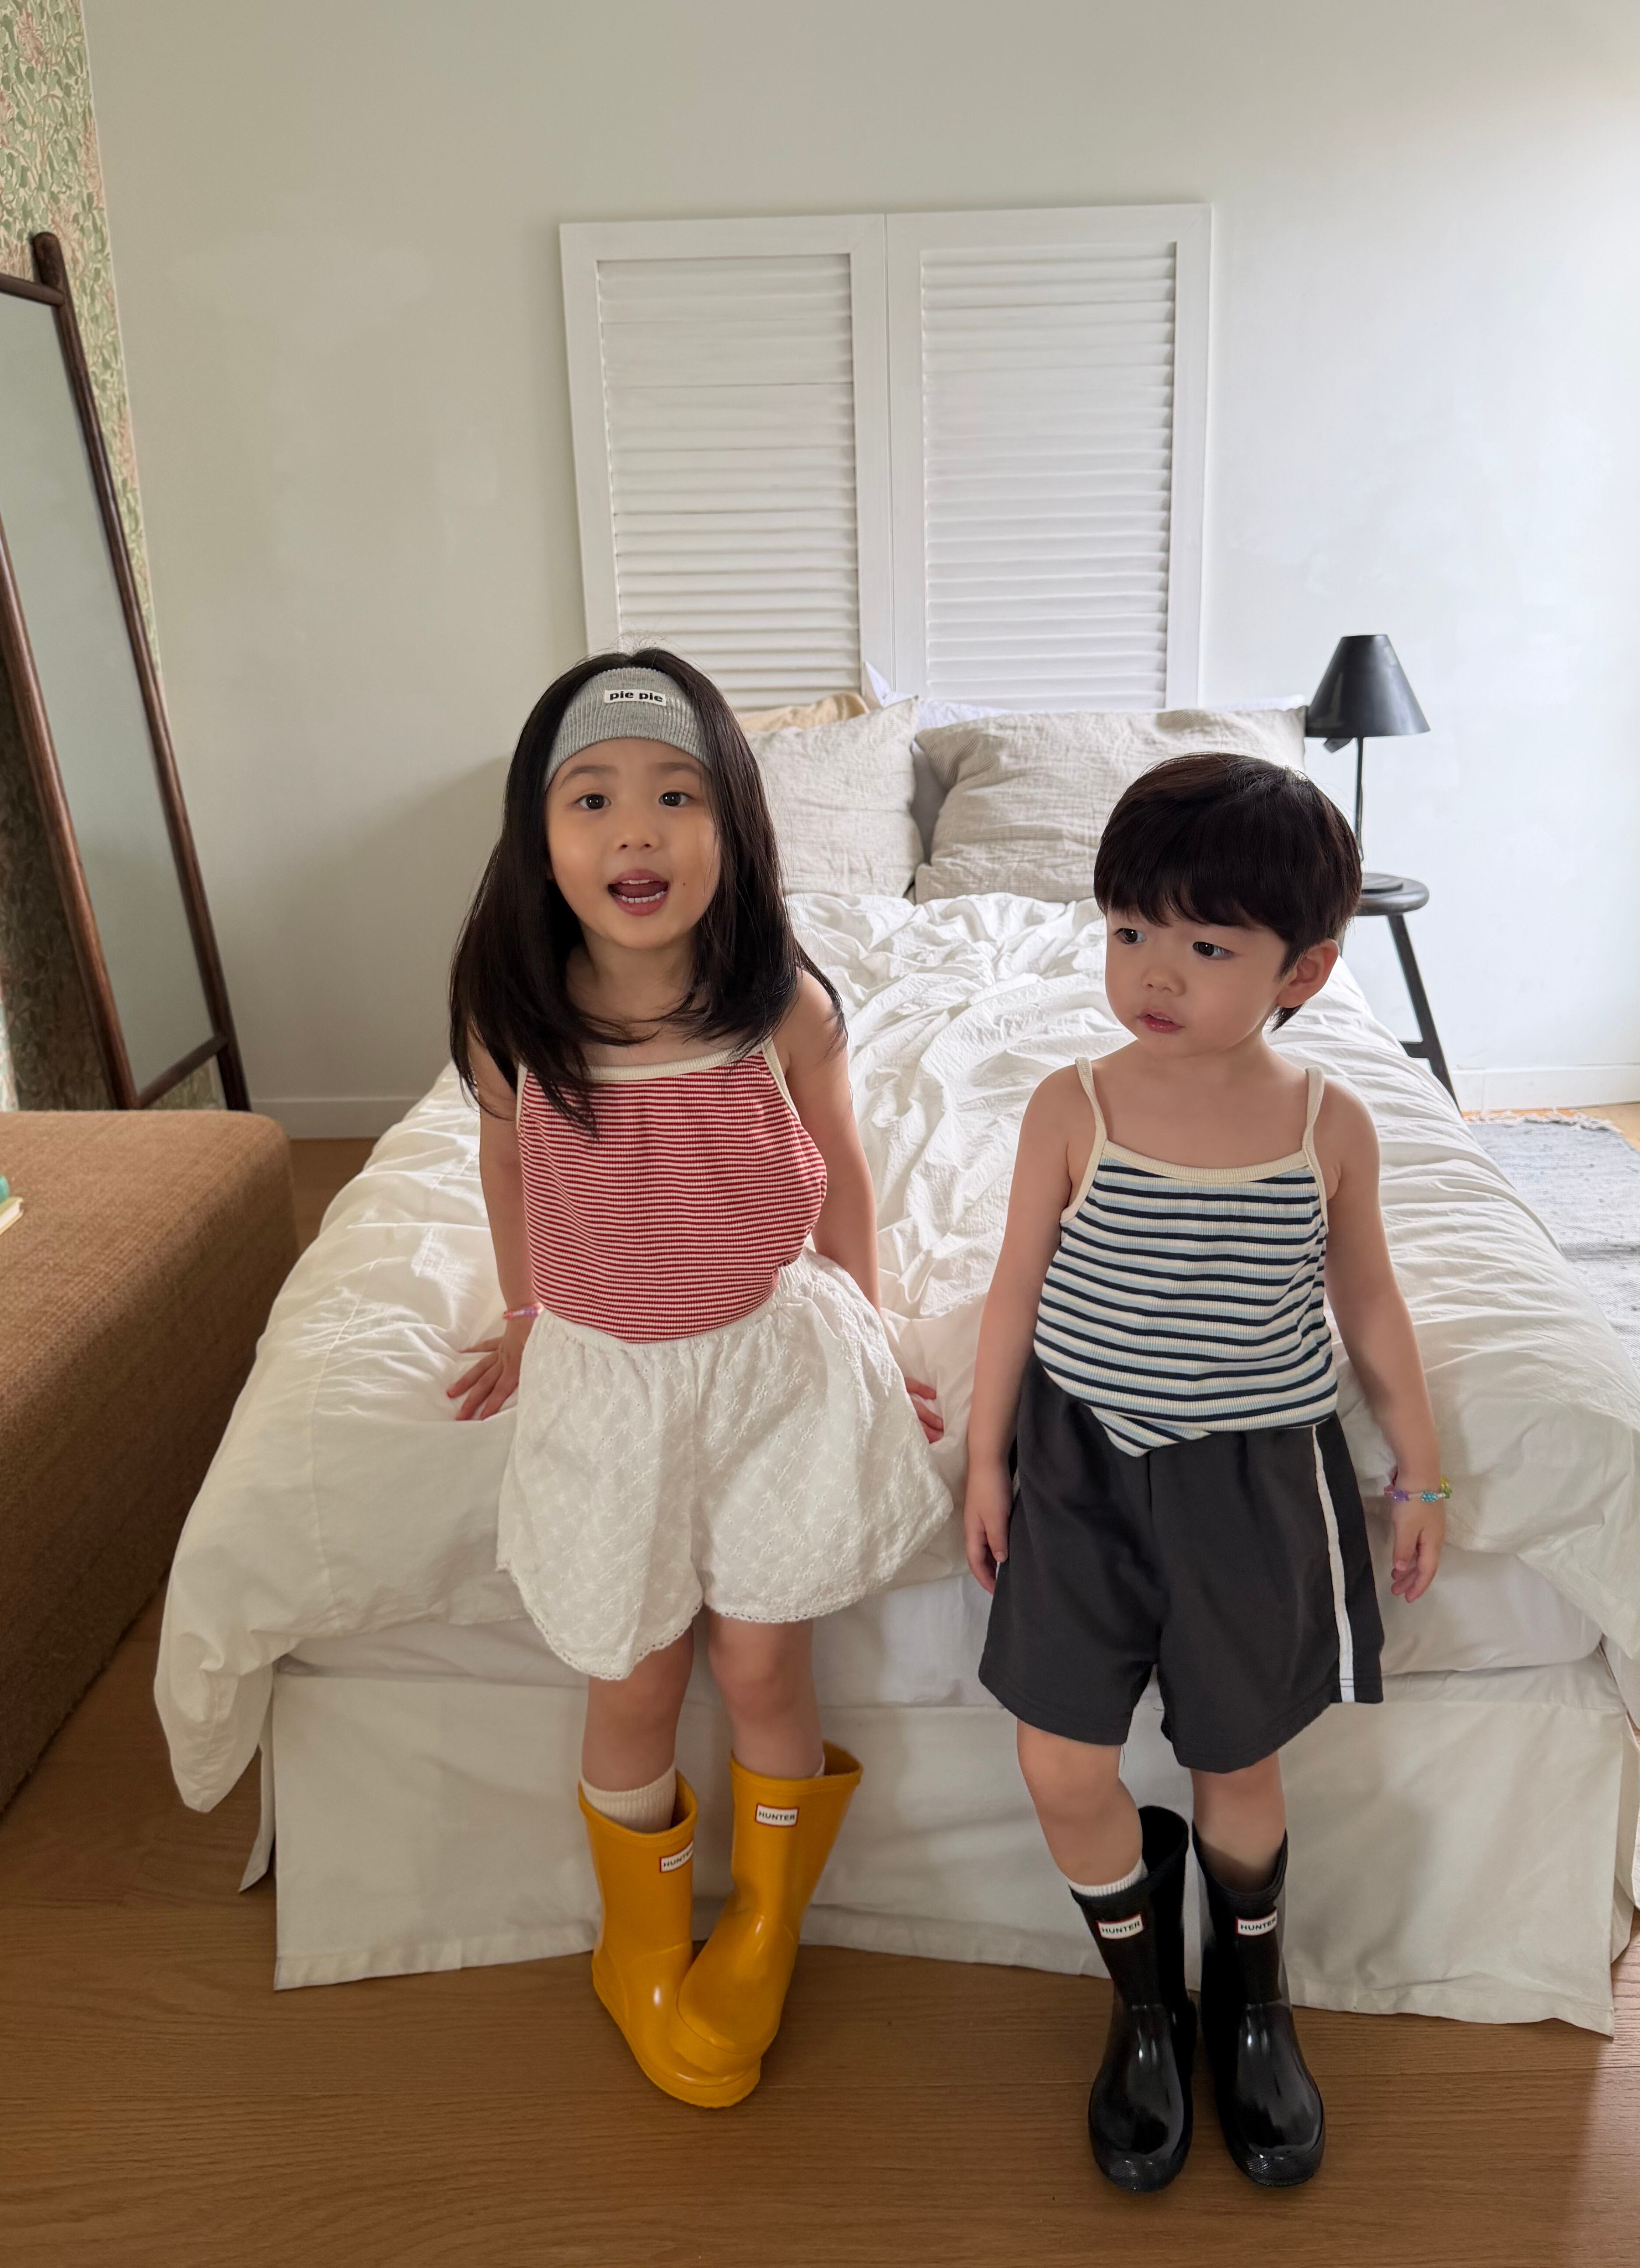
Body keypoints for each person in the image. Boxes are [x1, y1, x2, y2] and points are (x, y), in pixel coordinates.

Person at [447, 649, 953, 2109]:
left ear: (733, 823)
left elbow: (840, 1168)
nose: (637, 832)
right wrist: (528, 1309)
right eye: (592, 799)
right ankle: (640, 1948)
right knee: (633, 1676)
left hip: (767, 1371)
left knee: (760, 1664)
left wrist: (868, 1323)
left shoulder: (781, 1004)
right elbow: (505, 1165)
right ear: (539, 835)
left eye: (677, 797)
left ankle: (766, 1929)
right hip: (610, 1383)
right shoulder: (515, 1018)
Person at [963, 752, 1447, 2195]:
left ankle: (1252, 2003)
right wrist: (985, 1458)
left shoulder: (1326, 1124)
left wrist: (1417, 1467)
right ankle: (1142, 2007)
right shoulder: (1072, 1104)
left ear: (1305, 969)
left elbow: (1368, 1301)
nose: (1153, 975)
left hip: (1254, 1477)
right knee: (1059, 1763)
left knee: (1237, 1756)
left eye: (1205, 947)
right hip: (1083, 1464)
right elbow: (1012, 1289)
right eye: (1128, 933)